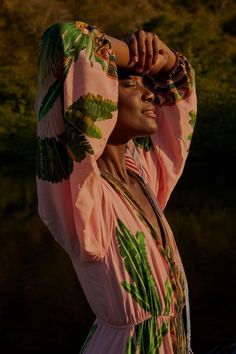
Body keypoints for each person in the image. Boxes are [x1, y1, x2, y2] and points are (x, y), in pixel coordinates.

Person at [35, 20, 197, 354]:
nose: (149, 92)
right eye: (129, 85)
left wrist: (157, 56)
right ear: (99, 96)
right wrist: (132, 54)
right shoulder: (81, 195)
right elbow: (65, 40)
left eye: (146, 82)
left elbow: (179, 90)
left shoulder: (142, 174)